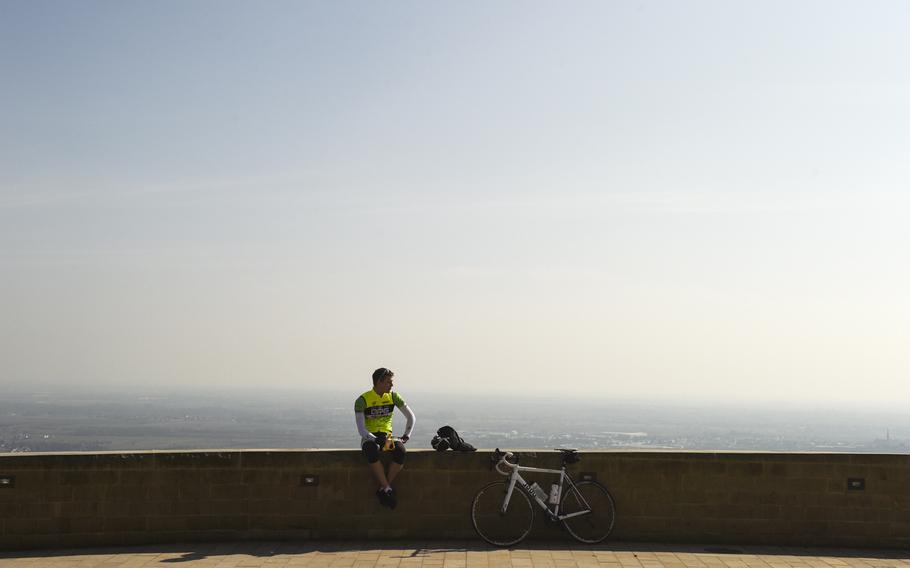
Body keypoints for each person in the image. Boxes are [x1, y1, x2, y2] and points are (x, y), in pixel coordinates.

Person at [354, 367, 415, 509]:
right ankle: (387, 488)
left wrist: (406, 435)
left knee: (400, 452)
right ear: (379, 382)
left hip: (386, 436)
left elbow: (411, 417)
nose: (392, 385)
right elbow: (361, 429)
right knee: (371, 450)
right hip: (370, 437)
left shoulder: (394, 396)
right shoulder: (362, 400)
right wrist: (374, 439)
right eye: (389, 382)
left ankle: (384, 488)